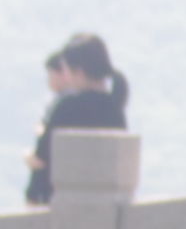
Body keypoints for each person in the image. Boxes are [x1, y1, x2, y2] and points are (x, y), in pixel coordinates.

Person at [22, 33, 131, 204]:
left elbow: (40, 158)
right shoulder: (115, 109)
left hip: (55, 208)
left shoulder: (68, 107)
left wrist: (27, 156)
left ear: (78, 72)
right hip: (107, 206)